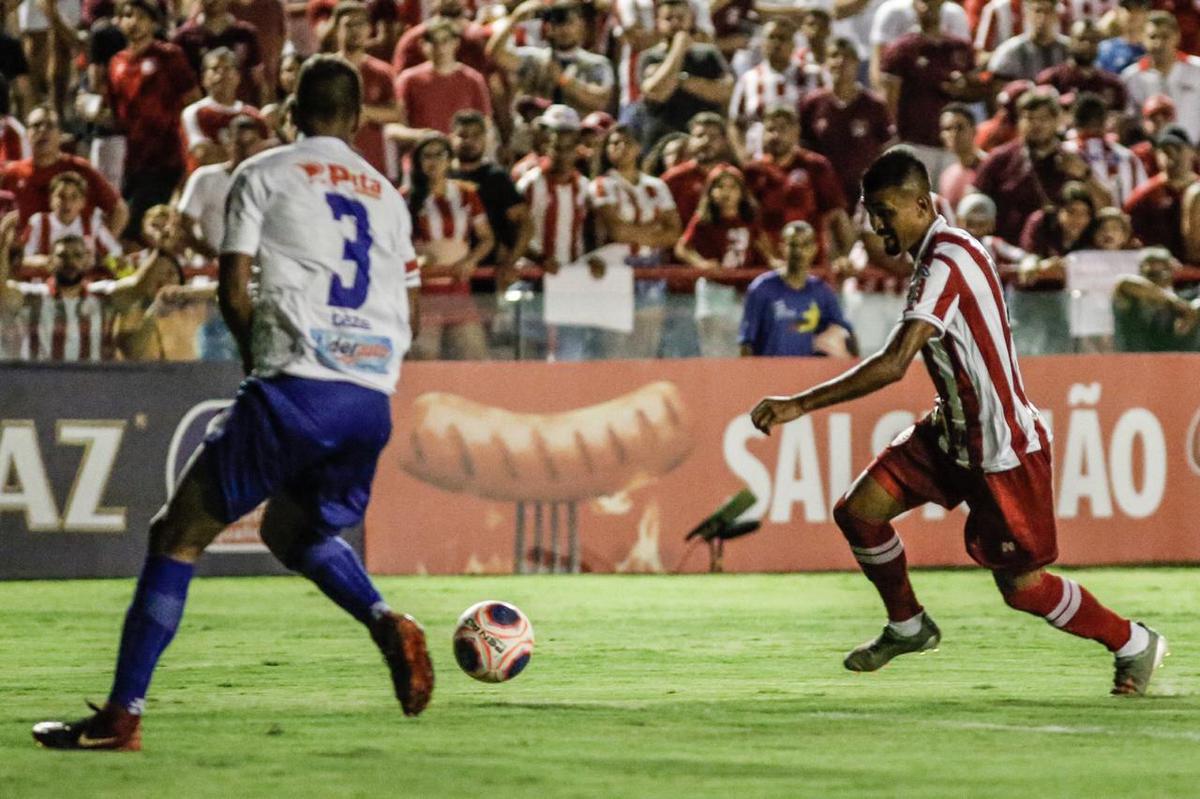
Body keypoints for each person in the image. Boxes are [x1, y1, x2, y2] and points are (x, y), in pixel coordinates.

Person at [30, 54, 434, 752]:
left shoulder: (264, 172)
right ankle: (381, 617)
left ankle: (121, 715)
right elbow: (416, 311)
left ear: (289, 110)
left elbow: (234, 290)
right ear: (360, 118)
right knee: (292, 532)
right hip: (371, 398)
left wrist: (261, 364)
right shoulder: (387, 195)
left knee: (175, 534)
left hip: (297, 384)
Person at [748, 146, 1165, 696]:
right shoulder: (935, 254)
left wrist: (800, 404)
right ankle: (908, 624)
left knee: (1023, 589)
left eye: (885, 212)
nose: (876, 225)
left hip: (1000, 448)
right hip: (950, 435)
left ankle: (1133, 642)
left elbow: (896, 363)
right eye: (870, 213)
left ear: (921, 205)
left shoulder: (947, 260)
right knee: (859, 512)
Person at [99, 0, 201, 239]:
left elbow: (192, 101)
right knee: (129, 227)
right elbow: (116, 114)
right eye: (127, 16)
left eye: (141, 17)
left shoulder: (170, 56)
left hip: (166, 157)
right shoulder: (117, 63)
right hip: (134, 159)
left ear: (153, 22)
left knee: (139, 227)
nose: (134, 22)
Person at [588, 124, 682, 358]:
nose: (620, 148)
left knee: (646, 344)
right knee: (615, 344)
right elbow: (616, 231)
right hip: (614, 268)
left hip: (650, 267)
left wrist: (633, 231)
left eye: (627, 142)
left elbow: (674, 233)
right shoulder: (602, 184)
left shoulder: (656, 185)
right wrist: (653, 230)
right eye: (614, 143)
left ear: (638, 147)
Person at [675, 164, 778, 357]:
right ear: (710, 192)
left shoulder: (749, 217)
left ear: (741, 191)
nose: (726, 193)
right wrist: (701, 264)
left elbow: (760, 241)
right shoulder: (704, 219)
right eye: (720, 187)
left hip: (742, 291)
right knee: (713, 347)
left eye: (732, 187)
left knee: (740, 345)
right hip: (715, 288)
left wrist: (772, 259)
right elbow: (682, 247)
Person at [406, 134, 494, 361]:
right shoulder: (406, 197)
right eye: (427, 155)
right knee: (424, 360)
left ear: (449, 159)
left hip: (458, 289)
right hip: (423, 292)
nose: (433, 161)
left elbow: (487, 238)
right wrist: (416, 260)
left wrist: (472, 260)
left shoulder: (467, 194)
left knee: (475, 358)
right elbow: (392, 244)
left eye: (439, 154)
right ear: (418, 161)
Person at [879, 0, 984, 183]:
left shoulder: (959, 47)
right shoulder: (902, 49)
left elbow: (978, 91)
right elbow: (889, 99)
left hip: (953, 146)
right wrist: (892, 135)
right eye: (924, 3)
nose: (929, 8)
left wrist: (961, 89)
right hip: (915, 142)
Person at [799, 36, 894, 212]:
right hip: (823, 194)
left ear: (857, 63)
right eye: (834, 56)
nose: (841, 62)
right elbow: (803, 147)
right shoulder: (812, 103)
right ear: (826, 62)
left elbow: (886, 146)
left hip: (864, 194)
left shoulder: (873, 105)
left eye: (847, 57)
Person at [1, 105, 128, 235]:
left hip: (71, 251)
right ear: (27, 134)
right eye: (36, 126)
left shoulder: (79, 169)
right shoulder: (12, 173)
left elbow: (119, 210)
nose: (43, 130)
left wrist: (104, 247)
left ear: (60, 135)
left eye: (50, 126)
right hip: (28, 252)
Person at [739, 220, 857, 357]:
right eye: (793, 245)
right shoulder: (762, 288)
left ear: (814, 248)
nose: (798, 252)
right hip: (769, 373)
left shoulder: (822, 292)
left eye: (805, 245)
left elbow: (846, 331)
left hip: (807, 375)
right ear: (782, 247)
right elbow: (747, 342)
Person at [486, 0, 615, 117]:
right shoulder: (536, 59)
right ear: (548, 28)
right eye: (558, 24)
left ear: (581, 25)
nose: (564, 30)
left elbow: (600, 102)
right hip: (537, 132)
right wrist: (516, 19)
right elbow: (496, 53)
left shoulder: (597, 64)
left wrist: (564, 80)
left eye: (569, 23)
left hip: (576, 133)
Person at [449, 109, 532, 285]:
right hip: (447, 272)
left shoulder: (497, 178)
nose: (469, 141)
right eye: (463, 135)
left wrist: (510, 261)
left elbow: (525, 224)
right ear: (451, 137)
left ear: (486, 138)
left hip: (486, 274)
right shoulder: (442, 177)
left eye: (476, 135)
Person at [638, 0, 734, 149]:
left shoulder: (708, 54)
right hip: (661, 143)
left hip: (705, 142)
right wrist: (678, 48)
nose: (675, 23)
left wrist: (680, 80)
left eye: (680, 18)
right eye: (669, 18)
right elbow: (658, 93)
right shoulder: (649, 57)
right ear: (658, 21)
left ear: (691, 19)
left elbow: (724, 92)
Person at [178, 113, 267, 258]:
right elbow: (183, 227)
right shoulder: (205, 178)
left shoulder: (269, 180)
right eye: (240, 144)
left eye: (251, 143)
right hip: (214, 270)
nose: (246, 151)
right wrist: (213, 257)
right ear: (228, 144)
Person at [392, 19, 491, 143]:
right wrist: (422, 136)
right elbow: (393, 127)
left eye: (445, 41)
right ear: (423, 45)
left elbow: (486, 124)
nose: (440, 48)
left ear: (456, 43)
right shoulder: (408, 80)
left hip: (460, 157)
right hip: (422, 156)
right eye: (434, 42)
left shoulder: (473, 79)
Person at [334, 1, 401, 180]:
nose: (355, 30)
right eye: (349, 25)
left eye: (361, 24)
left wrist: (366, 112)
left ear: (369, 29)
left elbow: (396, 112)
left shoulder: (383, 71)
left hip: (374, 164)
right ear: (336, 30)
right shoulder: (324, 69)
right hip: (334, 161)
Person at [21, 171, 122, 276]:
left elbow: (115, 254)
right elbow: (23, 260)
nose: (67, 203)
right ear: (51, 199)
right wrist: (48, 262)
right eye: (61, 196)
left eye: (74, 197)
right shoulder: (38, 222)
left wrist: (97, 261)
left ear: (83, 202)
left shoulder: (92, 223)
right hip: (44, 287)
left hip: (84, 287)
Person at [1121, 11, 1200, 145]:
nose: (1159, 43)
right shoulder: (1131, 77)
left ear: (1177, 37)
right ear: (1143, 38)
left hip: (1194, 152)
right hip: (1151, 152)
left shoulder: (1197, 69)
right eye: (1153, 37)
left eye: (1165, 37)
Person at [171, 0, 265, 106]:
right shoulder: (183, 37)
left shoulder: (246, 34)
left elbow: (258, 81)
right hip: (200, 113)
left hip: (239, 112)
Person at [1124, 124, 1197, 260]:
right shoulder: (1145, 194)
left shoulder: (1197, 190)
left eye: (1178, 149)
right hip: (1157, 270)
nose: (1172, 156)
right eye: (1165, 150)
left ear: (1192, 152)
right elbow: (1128, 232)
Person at [1063, 92, 1147, 208]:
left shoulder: (1063, 153)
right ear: (1106, 122)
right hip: (1121, 222)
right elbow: (1143, 202)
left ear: (1074, 122)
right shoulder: (1128, 158)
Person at [1112, 246, 1200, 351]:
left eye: (1160, 273)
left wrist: (1193, 311)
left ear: (1173, 270)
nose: (1156, 279)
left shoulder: (1189, 297)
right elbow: (1123, 282)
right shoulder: (1129, 296)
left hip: (1183, 362)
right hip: (1133, 362)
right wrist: (1176, 303)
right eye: (1150, 274)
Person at [1036, 20, 1129, 112]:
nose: (1087, 44)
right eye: (1082, 39)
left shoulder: (1113, 85)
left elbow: (1119, 117)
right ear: (1071, 41)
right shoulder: (1051, 79)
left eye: (1093, 40)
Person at [987, 0, 1070, 82]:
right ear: (1026, 13)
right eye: (1038, 11)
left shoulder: (1070, 50)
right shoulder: (1008, 52)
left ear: (1057, 14)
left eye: (1048, 11)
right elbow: (998, 88)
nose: (1043, 18)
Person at [936, 102, 984, 210]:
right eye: (947, 129)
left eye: (959, 127)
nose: (954, 134)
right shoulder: (946, 175)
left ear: (974, 130)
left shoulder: (989, 168)